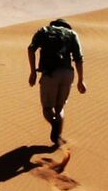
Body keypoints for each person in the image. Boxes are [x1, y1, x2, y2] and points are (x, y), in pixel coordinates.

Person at [27, 18, 86, 146]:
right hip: (67, 74)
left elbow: (31, 49)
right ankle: (58, 136)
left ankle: (55, 124)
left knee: (47, 108)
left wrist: (33, 72)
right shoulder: (72, 34)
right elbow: (79, 59)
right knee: (60, 108)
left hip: (50, 74)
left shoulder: (44, 31)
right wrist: (81, 80)